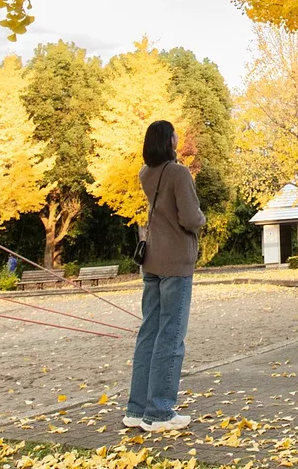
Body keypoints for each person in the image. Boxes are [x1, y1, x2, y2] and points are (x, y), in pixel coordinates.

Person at [124, 119, 205, 433]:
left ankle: (136, 409)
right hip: (176, 261)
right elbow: (190, 218)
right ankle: (159, 412)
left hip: (153, 260)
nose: (178, 138)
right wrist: (202, 219)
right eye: (175, 135)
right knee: (171, 335)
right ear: (169, 140)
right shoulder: (178, 173)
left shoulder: (146, 173)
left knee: (149, 333)